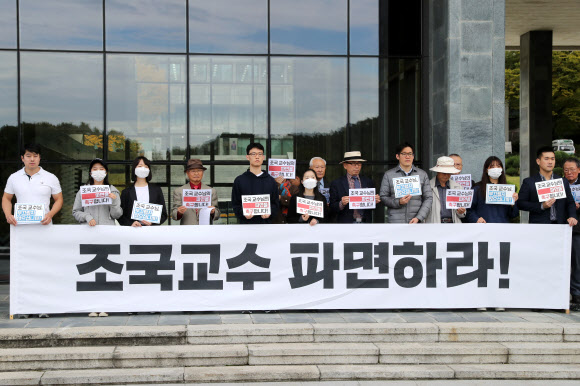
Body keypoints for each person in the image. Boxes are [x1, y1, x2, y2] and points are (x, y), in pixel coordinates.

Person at [2, 143, 63, 318]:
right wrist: (8, 214)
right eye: (28, 156)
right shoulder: (14, 178)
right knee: (24, 268)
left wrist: (50, 214)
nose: (32, 159)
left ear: (40, 158)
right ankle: (24, 307)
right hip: (21, 230)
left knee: (43, 267)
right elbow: (6, 198)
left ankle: (43, 305)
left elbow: (58, 199)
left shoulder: (50, 177)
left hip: (43, 229)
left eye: (35, 156)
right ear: (22, 158)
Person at [72, 158, 121, 317]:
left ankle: (106, 305)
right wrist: (87, 217)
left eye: (101, 168)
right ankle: (91, 305)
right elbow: (75, 211)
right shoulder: (83, 191)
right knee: (90, 269)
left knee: (106, 270)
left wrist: (113, 202)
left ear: (106, 172)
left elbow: (117, 214)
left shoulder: (113, 191)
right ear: (90, 172)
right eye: (95, 168)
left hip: (107, 234)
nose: (98, 171)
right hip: (89, 233)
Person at [518, 146, 577, 226]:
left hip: (560, 225)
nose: (550, 162)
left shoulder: (562, 181)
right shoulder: (529, 182)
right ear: (538, 161)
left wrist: (572, 216)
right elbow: (520, 203)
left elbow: (570, 202)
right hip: (539, 226)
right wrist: (541, 206)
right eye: (546, 159)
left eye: (552, 159)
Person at [380, 142, 432, 223]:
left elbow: (428, 198)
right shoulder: (388, 175)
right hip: (395, 222)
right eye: (404, 154)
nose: (407, 156)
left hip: (416, 222)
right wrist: (398, 202)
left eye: (410, 154)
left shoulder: (422, 174)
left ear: (413, 156)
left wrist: (419, 217)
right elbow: (383, 197)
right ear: (397, 156)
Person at [231, 143, 280, 224]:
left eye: (260, 154)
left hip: (266, 226)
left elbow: (275, 204)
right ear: (248, 157)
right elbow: (236, 204)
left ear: (263, 157)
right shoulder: (239, 180)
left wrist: (269, 212)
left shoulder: (271, 181)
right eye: (253, 154)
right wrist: (243, 213)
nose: (257, 157)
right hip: (246, 227)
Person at [330, 151, 380, 223]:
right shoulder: (337, 183)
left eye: (359, 164)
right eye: (353, 164)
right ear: (345, 165)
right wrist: (342, 203)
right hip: (346, 224)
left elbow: (374, 209)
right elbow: (332, 207)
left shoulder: (368, 181)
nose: (357, 166)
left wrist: (375, 201)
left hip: (365, 223)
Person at [466, 156, 519, 224]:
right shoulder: (477, 189)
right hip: (484, 228)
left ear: (502, 169)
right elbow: (468, 210)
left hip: (503, 228)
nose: (496, 169)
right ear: (486, 170)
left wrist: (513, 204)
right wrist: (476, 219)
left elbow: (514, 215)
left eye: (498, 166)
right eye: (492, 166)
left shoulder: (507, 190)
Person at [119, 156, 168, 227]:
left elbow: (163, 214)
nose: (143, 168)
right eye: (140, 166)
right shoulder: (126, 192)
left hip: (151, 231)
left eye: (146, 166)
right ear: (134, 169)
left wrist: (153, 222)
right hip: (132, 231)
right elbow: (120, 215)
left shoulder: (156, 190)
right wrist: (130, 223)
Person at [171, 159, 220, 225]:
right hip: (187, 230)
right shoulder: (179, 191)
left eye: (199, 170)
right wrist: (179, 212)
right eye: (193, 171)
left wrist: (213, 212)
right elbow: (174, 215)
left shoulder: (211, 191)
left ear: (203, 172)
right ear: (187, 173)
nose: (196, 173)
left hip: (206, 230)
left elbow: (217, 214)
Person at [425, 156, 466, 223]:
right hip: (434, 225)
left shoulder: (458, 187)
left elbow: (461, 214)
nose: (446, 175)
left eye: (449, 173)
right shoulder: (428, 186)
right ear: (438, 172)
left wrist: (461, 211)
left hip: (453, 224)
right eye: (443, 173)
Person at [563, 158, 580, 304]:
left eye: (572, 169)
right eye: (566, 170)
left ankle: (576, 293)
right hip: (561, 229)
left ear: (579, 170)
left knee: (577, 262)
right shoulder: (559, 184)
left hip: (577, 230)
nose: (569, 173)